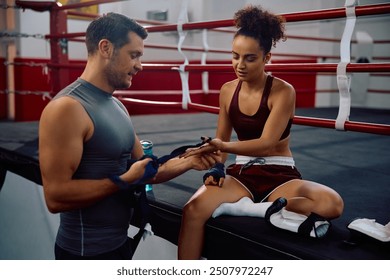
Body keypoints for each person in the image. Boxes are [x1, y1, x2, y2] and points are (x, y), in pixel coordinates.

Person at [38, 13, 220, 260]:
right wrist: (122, 181)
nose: (140, 65)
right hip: (84, 256)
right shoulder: (67, 108)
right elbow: (56, 197)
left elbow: (146, 170)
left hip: (120, 246)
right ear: (106, 48)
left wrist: (190, 160)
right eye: (134, 55)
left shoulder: (116, 106)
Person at [177, 5, 344, 260]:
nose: (239, 65)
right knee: (192, 210)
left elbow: (266, 144)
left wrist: (221, 145)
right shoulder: (227, 91)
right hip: (243, 173)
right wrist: (217, 168)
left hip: (280, 175)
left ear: (266, 57)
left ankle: (254, 209)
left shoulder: (283, 91)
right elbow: (220, 139)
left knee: (332, 204)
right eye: (235, 56)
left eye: (250, 58)